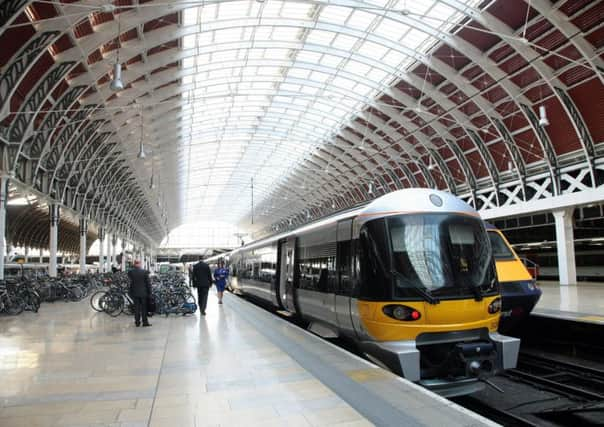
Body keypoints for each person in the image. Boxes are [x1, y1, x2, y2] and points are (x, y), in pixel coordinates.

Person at [128, 259, 152, 327]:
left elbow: (130, 280)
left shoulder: (131, 272)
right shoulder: (144, 272)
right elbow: (148, 284)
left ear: (134, 264)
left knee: (136, 308)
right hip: (143, 293)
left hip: (134, 293)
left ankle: (137, 322)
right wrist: (150, 292)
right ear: (140, 264)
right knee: (144, 308)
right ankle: (145, 322)